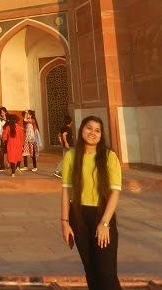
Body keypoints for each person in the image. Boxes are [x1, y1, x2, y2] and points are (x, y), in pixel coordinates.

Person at [59, 116, 122, 290]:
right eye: (89, 128)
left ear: (101, 135)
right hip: (78, 216)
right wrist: (64, 222)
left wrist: (104, 223)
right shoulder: (71, 156)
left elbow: (115, 192)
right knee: (91, 271)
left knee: (107, 275)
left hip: (102, 215)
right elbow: (66, 191)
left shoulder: (109, 157)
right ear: (81, 130)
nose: (92, 133)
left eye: (97, 130)